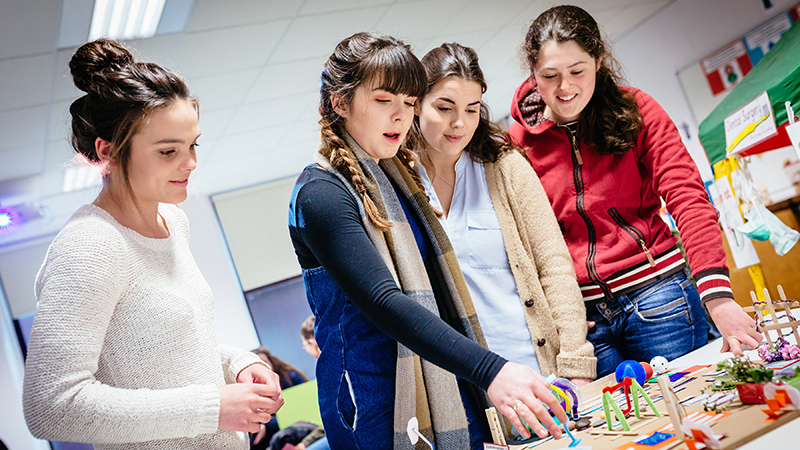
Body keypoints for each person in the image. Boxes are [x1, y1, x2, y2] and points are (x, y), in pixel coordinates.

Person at [288, 32, 567, 450]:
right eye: (384, 101)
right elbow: (385, 301)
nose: (400, 117)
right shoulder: (320, 193)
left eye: (409, 103)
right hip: (372, 401)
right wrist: (491, 370)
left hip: (439, 381)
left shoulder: (395, 175)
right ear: (340, 102)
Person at [22, 39, 283, 449]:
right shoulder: (90, 246)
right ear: (108, 152)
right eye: (168, 151)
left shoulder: (173, 222)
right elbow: (52, 406)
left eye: (193, 144)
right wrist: (212, 407)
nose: (191, 162)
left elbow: (166, 352)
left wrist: (238, 363)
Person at [508, 5, 762, 378]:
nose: (565, 87)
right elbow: (526, 242)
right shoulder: (519, 143)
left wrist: (717, 295)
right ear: (533, 73)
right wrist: (560, 315)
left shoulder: (637, 110)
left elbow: (687, 198)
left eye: (578, 71)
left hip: (660, 296)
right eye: (550, 75)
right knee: (619, 428)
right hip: (588, 321)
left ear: (598, 61)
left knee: (692, 414)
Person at [409, 43, 596, 386]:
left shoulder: (505, 167)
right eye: (444, 107)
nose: (459, 123)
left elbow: (553, 266)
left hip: (540, 371)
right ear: (416, 104)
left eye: (471, 109)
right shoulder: (400, 185)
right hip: (463, 386)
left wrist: (575, 367)